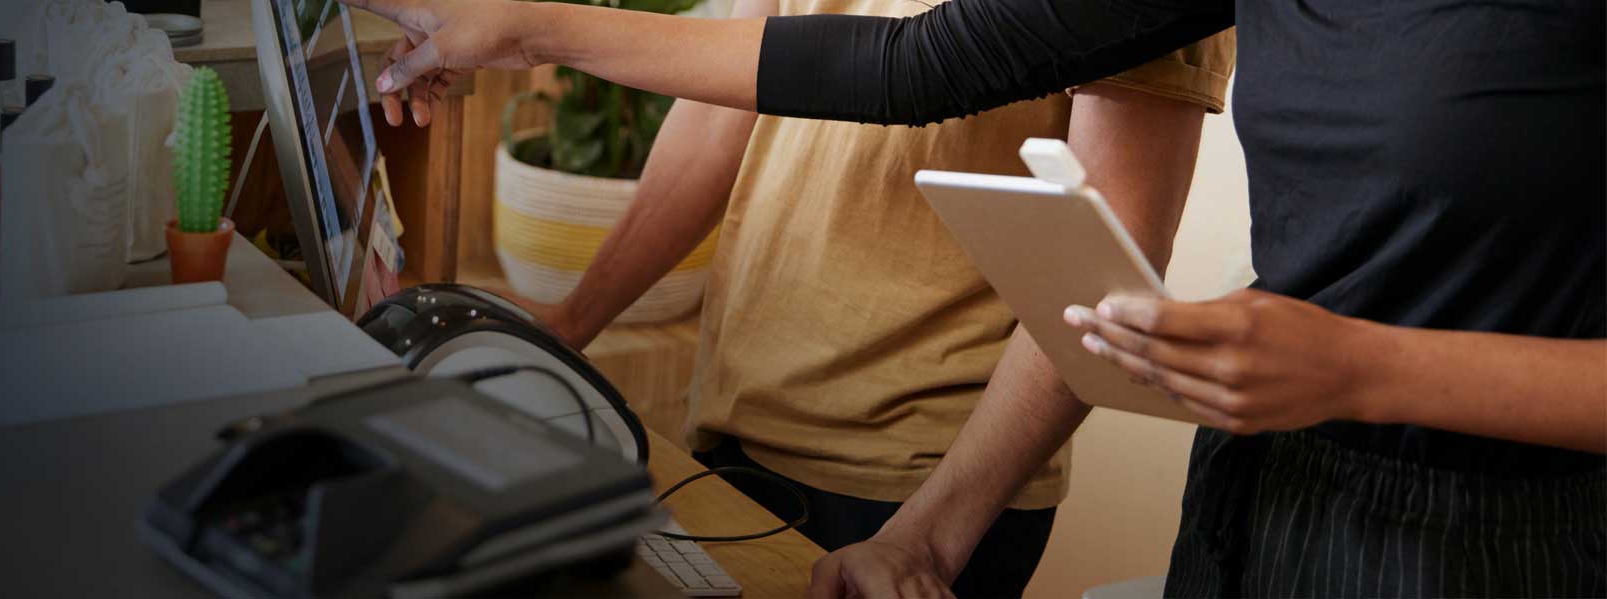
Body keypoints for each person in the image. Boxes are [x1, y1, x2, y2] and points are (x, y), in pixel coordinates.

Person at [344, 0, 1607, 596]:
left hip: (1514, 538)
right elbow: (917, 62)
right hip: (1264, 503)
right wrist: (534, 29)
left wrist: (1363, 368)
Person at [470, 0, 1232, 595]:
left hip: (916, 482)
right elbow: (721, 106)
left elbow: (1102, 266)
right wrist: (571, 323)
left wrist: (927, 538)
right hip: (738, 423)